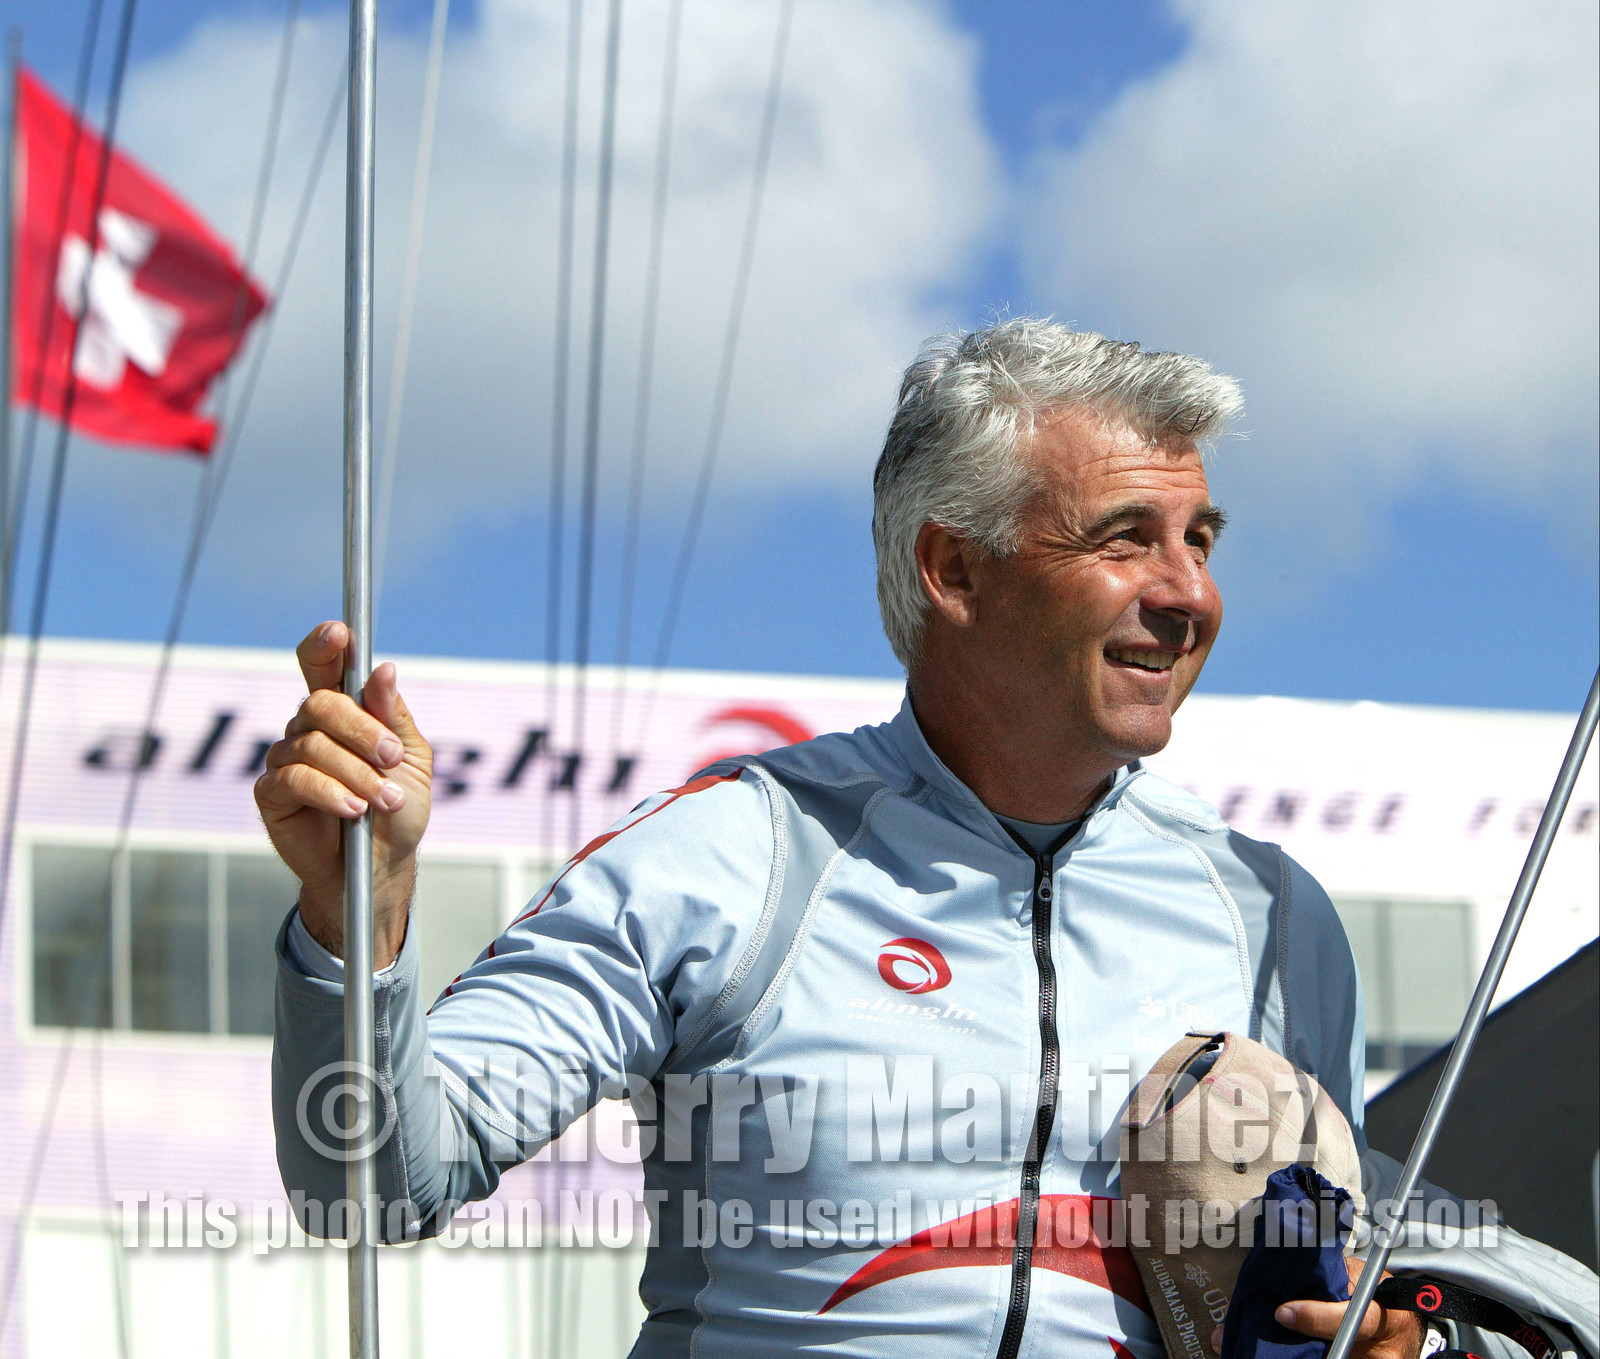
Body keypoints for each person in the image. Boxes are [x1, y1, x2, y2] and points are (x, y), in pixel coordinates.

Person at [263, 320, 1598, 1359]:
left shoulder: (1271, 912)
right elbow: (369, 1185)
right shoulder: (728, 858)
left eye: (1201, 538)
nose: (1192, 594)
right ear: (954, 572)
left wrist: (1381, 1327)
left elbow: (1309, 1287)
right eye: (1128, 538)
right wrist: (355, 931)